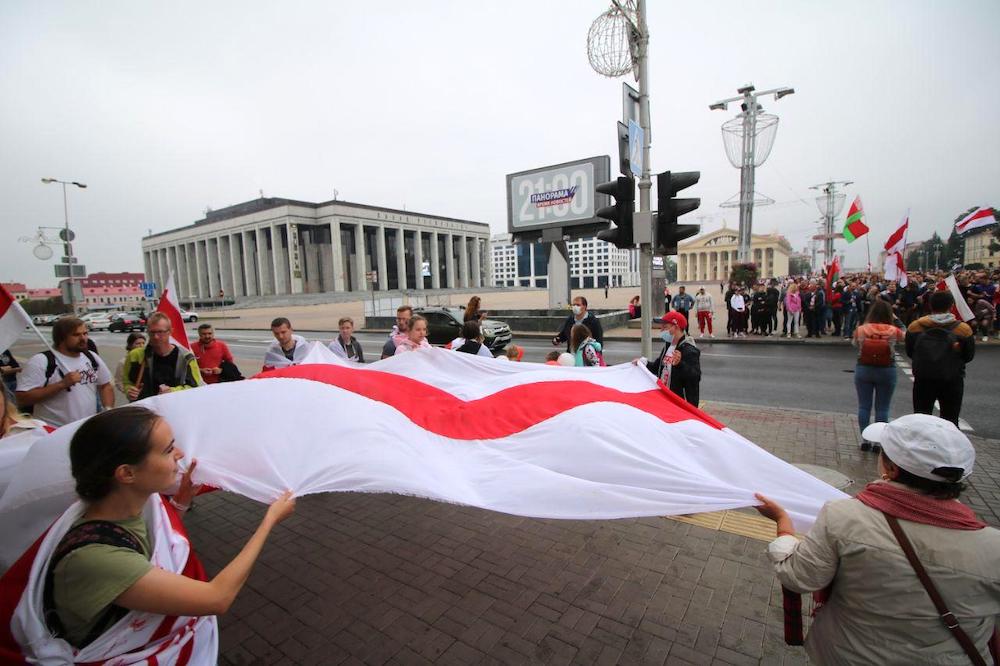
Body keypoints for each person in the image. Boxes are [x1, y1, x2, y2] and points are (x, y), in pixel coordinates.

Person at [2, 406, 295, 661]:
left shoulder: (130, 505)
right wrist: (269, 520)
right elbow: (216, 598)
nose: (179, 454)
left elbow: (152, 543)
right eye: (168, 449)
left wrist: (179, 504)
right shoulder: (95, 559)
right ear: (126, 474)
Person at [754, 414, 1000, 666]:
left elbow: (799, 576)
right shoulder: (993, 547)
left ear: (891, 468)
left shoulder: (843, 516)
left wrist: (783, 523)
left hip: (851, 655)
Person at [15, 317, 114, 427]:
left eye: (85, 333)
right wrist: (62, 384)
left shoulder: (91, 357)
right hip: (54, 430)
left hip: (85, 428)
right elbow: (22, 398)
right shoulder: (41, 361)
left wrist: (108, 409)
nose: (83, 338)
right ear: (61, 338)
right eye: (76, 335)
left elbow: (105, 386)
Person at [906, 290, 975, 426]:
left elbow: (910, 352)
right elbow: (968, 356)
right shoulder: (963, 329)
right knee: (950, 419)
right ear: (951, 306)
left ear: (930, 306)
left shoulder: (916, 327)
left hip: (923, 378)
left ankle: (922, 445)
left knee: (921, 418)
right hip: (952, 379)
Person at [852, 300, 905, 447]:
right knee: (883, 408)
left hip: (864, 368)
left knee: (864, 407)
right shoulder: (893, 330)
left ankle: (865, 439)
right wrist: (896, 320)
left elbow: (855, 344)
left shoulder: (862, 329)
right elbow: (906, 336)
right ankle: (878, 442)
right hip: (887, 369)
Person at [122, 313, 202, 402]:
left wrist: (172, 391)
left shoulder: (186, 358)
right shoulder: (135, 355)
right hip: (144, 409)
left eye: (160, 332)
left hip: (174, 407)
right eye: (152, 332)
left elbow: (194, 387)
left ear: (170, 331)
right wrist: (129, 390)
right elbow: (127, 382)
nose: (156, 337)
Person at [643, 312, 700, 406]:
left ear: (676, 327)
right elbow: (657, 368)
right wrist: (643, 363)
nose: (661, 330)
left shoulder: (689, 350)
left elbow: (695, 377)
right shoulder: (668, 346)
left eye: (665, 327)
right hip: (664, 399)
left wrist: (680, 364)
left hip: (679, 404)